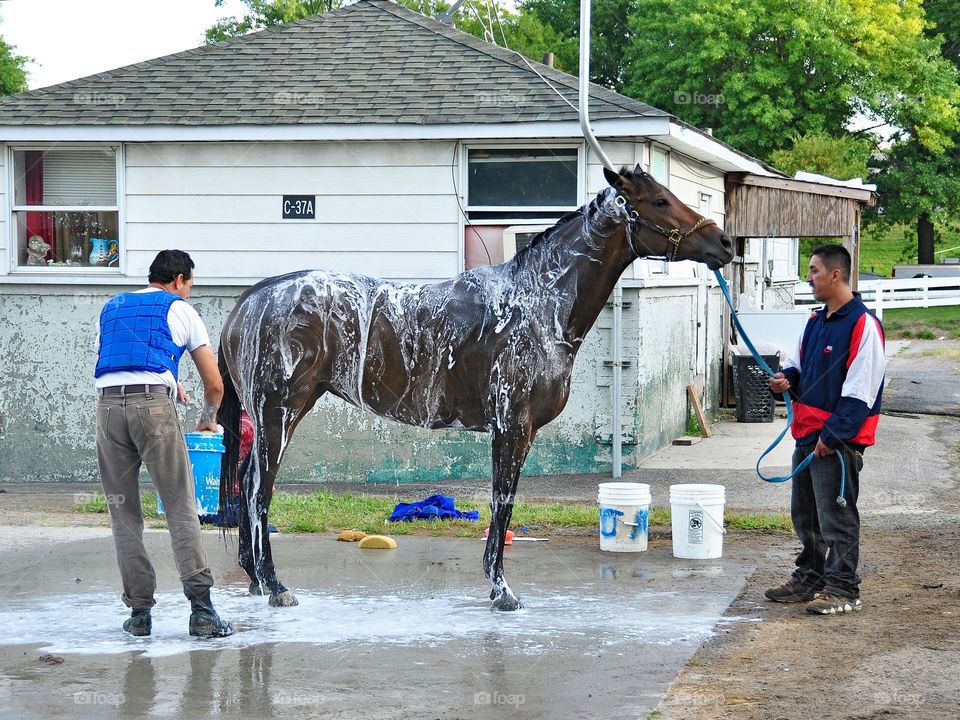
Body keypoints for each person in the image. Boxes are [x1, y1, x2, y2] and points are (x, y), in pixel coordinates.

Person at [94, 249, 233, 638]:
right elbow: (216, 384)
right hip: (153, 410)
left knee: (123, 512)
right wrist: (208, 417)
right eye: (189, 284)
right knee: (179, 505)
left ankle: (139, 615)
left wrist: (170, 379)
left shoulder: (112, 307)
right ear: (178, 280)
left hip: (108, 411)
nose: (188, 291)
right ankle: (202, 611)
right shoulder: (181, 309)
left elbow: (124, 359)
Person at [766, 244, 885, 615]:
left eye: (814, 270)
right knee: (805, 515)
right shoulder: (814, 322)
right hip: (805, 433)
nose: (808, 277)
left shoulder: (864, 324)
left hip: (835, 441)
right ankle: (811, 577)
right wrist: (787, 380)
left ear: (836, 274)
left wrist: (832, 438)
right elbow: (801, 369)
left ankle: (843, 589)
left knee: (837, 516)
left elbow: (861, 390)